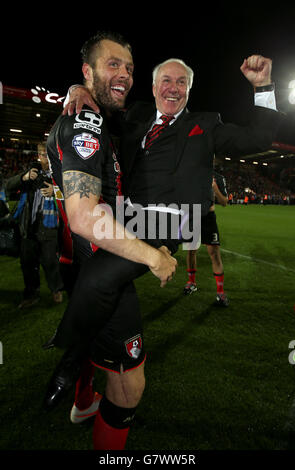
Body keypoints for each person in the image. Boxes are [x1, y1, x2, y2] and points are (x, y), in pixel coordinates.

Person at [46, 45, 280, 450]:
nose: (174, 88)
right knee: (99, 278)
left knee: (102, 275)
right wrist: (76, 87)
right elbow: (98, 109)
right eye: (166, 81)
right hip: (128, 217)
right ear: (153, 87)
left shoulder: (206, 125)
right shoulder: (134, 116)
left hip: (172, 218)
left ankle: (69, 362)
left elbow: (260, 137)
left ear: (189, 90)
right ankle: (86, 377)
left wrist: (263, 87)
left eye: (182, 82)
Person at [44, 31, 177, 451]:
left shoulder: (98, 116)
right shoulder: (85, 121)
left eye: (129, 68)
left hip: (88, 264)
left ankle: (83, 404)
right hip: (98, 261)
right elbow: (85, 218)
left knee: (90, 339)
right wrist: (152, 257)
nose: (124, 74)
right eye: (113, 64)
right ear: (87, 70)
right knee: (127, 386)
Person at [5, 143, 64, 308]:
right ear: (38, 155)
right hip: (28, 225)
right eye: (41, 154)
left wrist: (55, 190)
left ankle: (56, 289)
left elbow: (71, 193)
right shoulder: (31, 172)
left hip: (49, 224)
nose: (44, 157)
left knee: (50, 260)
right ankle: (31, 294)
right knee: (27, 262)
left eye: (47, 154)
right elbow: (8, 185)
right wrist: (23, 177)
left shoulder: (58, 173)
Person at [183, 171, 229, 306]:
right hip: (191, 216)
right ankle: (191, 283)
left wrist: (214, 188)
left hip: (209, 218)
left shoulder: (219, 177)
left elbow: (224, 202)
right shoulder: (189, 172)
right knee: (191, 251)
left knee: (214, 254)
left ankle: (220, 292)